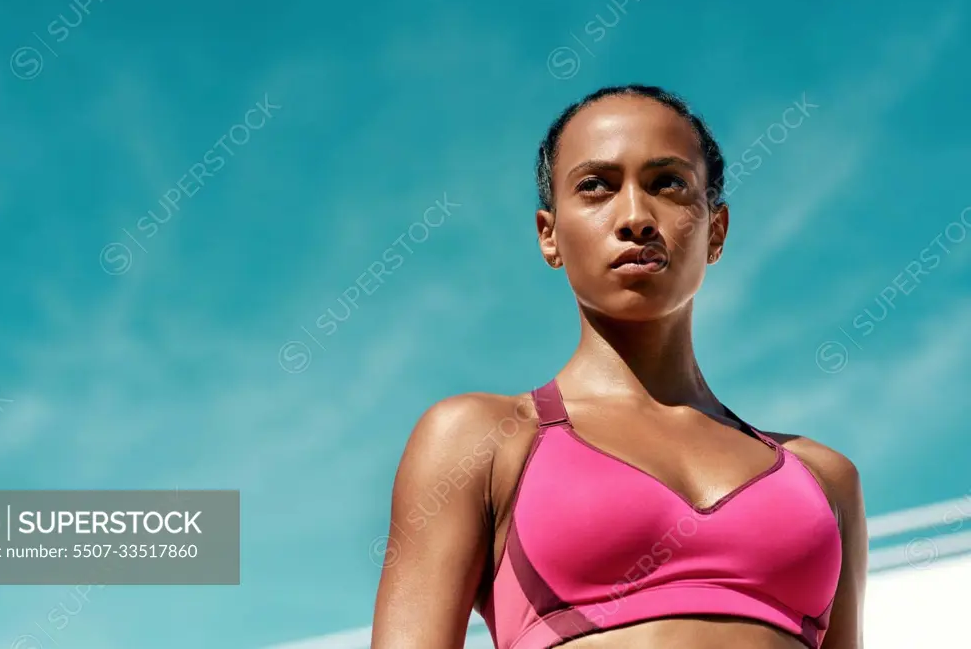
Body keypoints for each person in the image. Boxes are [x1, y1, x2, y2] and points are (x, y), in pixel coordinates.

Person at [371, 84, 867, 649]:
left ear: (717, 230)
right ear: (549, 235)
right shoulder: (482, 441)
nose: (635, 216)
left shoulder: (824, 480)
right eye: (596, 187)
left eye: (668, 184)